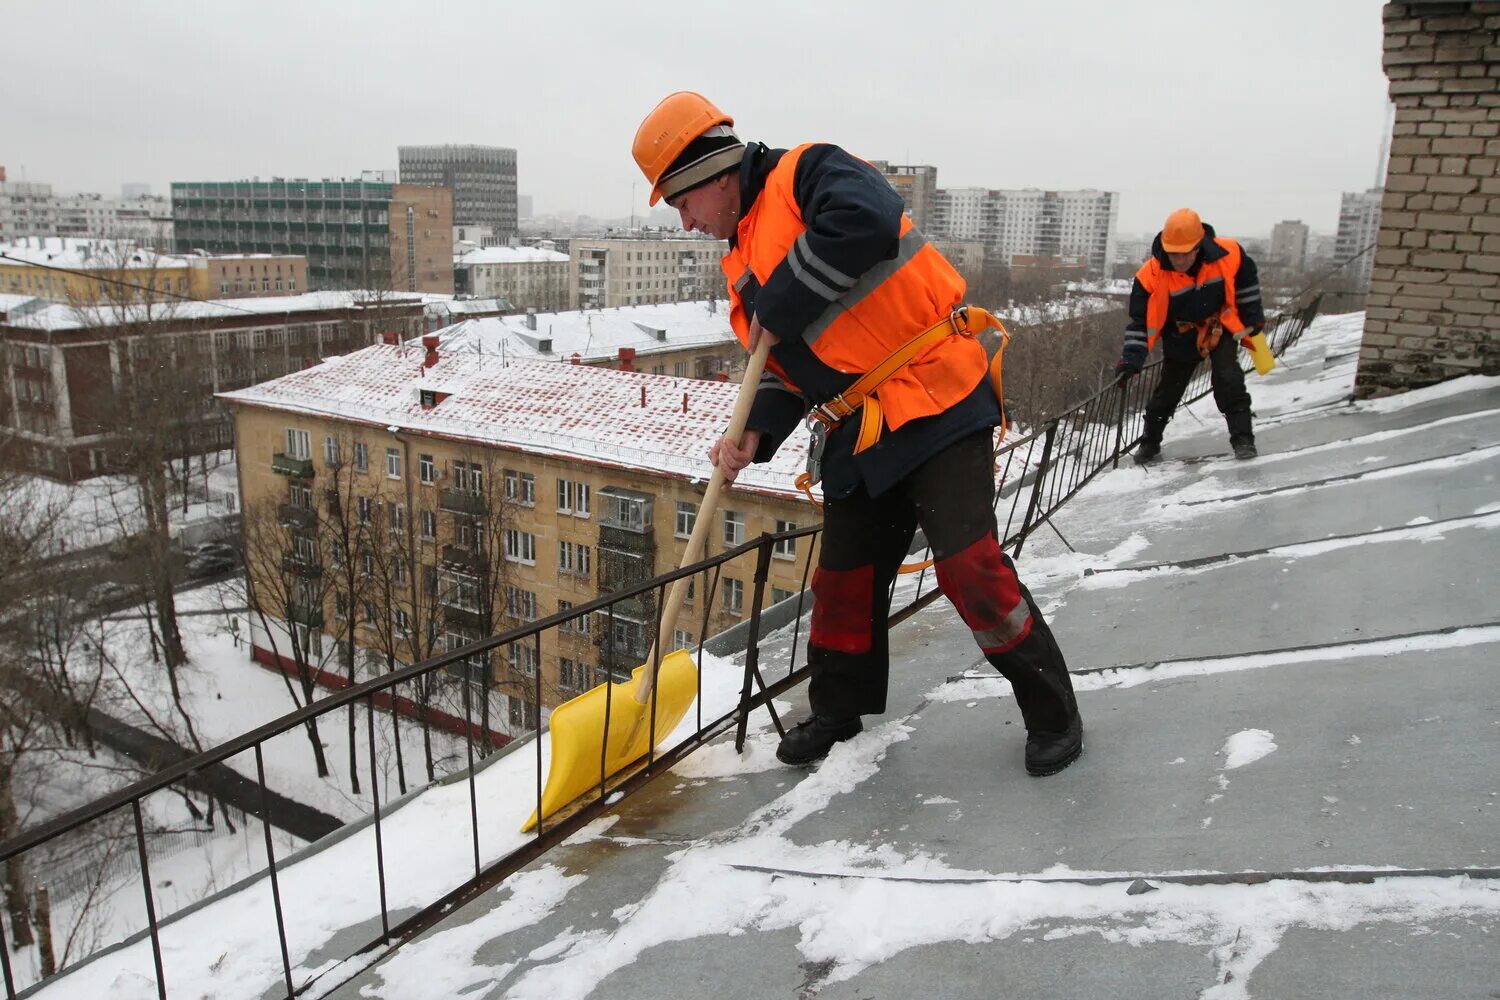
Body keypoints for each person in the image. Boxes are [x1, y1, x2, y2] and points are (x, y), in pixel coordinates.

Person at [631, 92, 1082, 776]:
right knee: (842, 581)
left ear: (715, 177)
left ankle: (1053, 711)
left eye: (681, 203)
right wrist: (753, 432)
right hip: (857, 424)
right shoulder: (738, 265)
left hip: (936, 391)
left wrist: (781, 302)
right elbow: (778, 367)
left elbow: (865, 219)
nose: (686, 221)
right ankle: (840, 709)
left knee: (969, 567)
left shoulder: (809, 172)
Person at [1114, 208, 1266, 462]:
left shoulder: (1228, 254)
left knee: (1228, 379)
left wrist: (1253, 318)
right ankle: (1150, 442)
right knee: (1168, 392)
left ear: (1199, 246)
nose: (1179, 260)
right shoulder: (1150, 275)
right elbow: (1140, 323)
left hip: (1219, 327)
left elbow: (1247, 282)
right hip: (1180, 334)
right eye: (1173, 254)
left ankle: (1243, 440)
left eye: (1185, 254)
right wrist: (1130, 360)